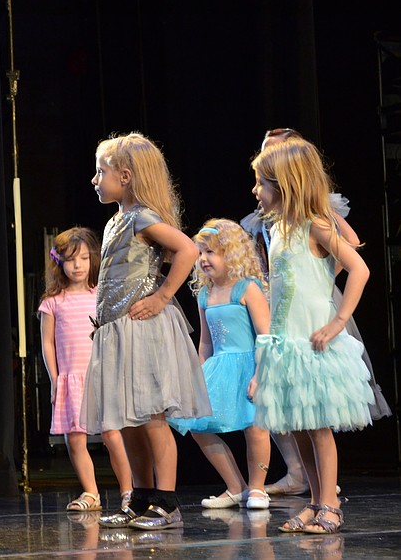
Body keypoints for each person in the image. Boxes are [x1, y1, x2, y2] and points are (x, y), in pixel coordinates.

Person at [241, 128, 391, 497]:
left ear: (285, 185)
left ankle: (329, 505)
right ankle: (313, 499)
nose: (255, 191)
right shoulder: (279, 230)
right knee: (298, 426)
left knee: (319, 429)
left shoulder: (314, 224)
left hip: (312, 342)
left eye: (262, 183)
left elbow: (359, 267)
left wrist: (338, 320)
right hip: (285, 344)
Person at [82, 132, 212, 531]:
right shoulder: (114, 221)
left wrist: (162, 296)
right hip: (118, 330)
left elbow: (188, 249)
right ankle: (139, 498)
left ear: (125, 175)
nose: (94, 179)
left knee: (152, 417)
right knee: (128, 419)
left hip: (144, 328)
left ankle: (166, 504)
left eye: (100, 171)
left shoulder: (141, 216)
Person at [168, 219, 272, 511]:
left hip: (251, 364)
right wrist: (198, 376)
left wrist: (260, 374)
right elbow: (206, 343)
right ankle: (236, 486)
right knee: (197, 425)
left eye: (211, 252)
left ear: (232, 254)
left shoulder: (247, 288)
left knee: (255, 426)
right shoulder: (205, 294)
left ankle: (258, 488)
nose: (203, 259)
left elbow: (265, 334)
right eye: (200, 253)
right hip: (219, 366)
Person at [38, 227, 133, 513]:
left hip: (101, 376)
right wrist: (55, 380)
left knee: (112, 434)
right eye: (69, 260)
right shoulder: (52, 302)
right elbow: (48, 344)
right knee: (75, 438)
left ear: (92, 259)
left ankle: (128, 491)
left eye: (82, 258)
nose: (77, 266)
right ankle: (91, 492)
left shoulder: (100, 296)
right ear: (59, 263)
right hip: (71, 378)